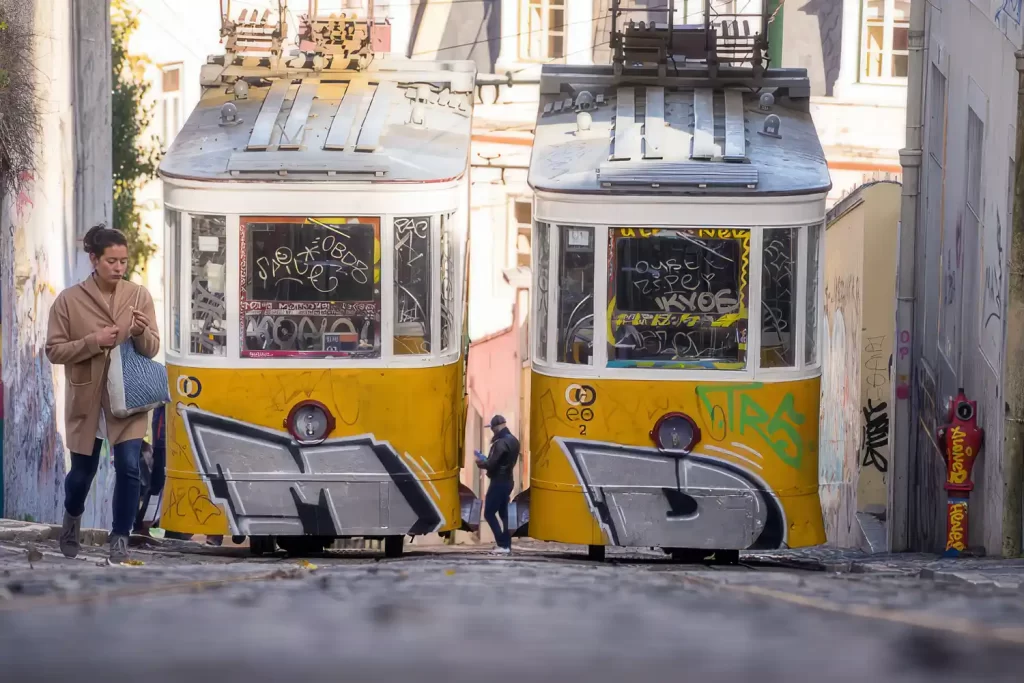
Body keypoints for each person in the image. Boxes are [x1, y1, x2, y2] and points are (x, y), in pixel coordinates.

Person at [45, 224, 161, 565]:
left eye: (124, 261)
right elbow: (54, 350)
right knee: (82, 473)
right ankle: (72, 517)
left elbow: (152, 349)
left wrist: (139, 333)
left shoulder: (139, 296)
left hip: (129, 397)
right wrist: (93, 342)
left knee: (129, 468)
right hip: (87, 399)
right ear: (94, 259)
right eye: (112, 260)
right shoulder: (68, 300)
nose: (119, 267)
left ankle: (120, 537)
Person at [475, 414, 520, 556]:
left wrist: (481, 462)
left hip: (498, 482)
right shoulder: (514, 441)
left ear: (496, 426)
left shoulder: (500, 443)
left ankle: (502, 544)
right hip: (508, 480)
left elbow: (492, 463)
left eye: (492, 428)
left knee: (489, 513)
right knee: (503, 513)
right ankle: (506, 545)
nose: (492, 430)